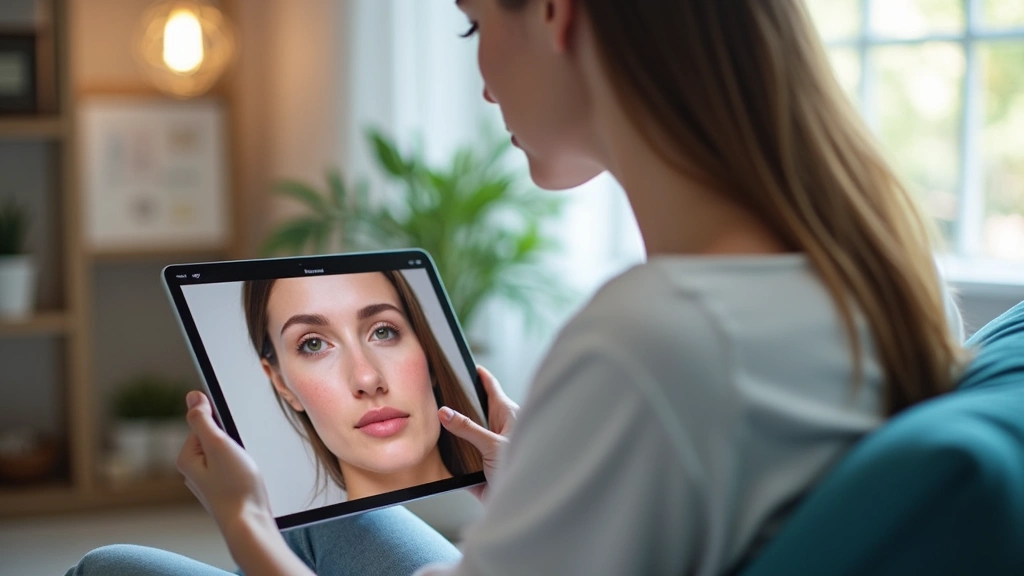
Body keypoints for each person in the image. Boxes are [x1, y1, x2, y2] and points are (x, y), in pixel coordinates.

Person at [66, 0, 969, 575]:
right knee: (322, 514)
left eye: (472, 23)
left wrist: (243, 522)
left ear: (554, 12)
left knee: (117, 564)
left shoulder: (656, 336)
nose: (483, 77)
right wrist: (542, 479)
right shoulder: (877, 266)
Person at [242, 270, 485, 501]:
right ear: (282, 383)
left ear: (427, 354)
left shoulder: (513, 507)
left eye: (383, 332)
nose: (367, 379)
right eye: (313, 344)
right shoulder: (287, 545)